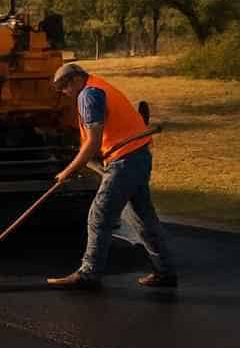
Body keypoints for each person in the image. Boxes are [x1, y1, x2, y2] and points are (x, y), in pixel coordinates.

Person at [47, 62, 177, 290]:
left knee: (99, 215)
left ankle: (88, 274)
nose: (64, 93)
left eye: (65, 88)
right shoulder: (99, 86)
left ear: (76, 80)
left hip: (125, 161)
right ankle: (165, 271)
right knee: (143, 218)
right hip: (138, 156)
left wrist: (68, 171)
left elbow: (93, 142)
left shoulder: (88, 95)